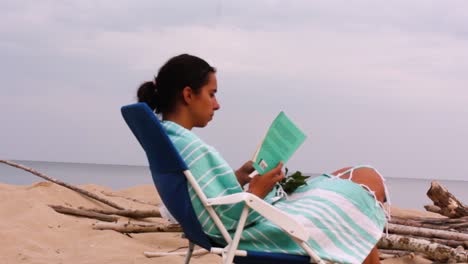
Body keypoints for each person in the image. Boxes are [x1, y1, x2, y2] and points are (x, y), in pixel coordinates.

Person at [137, 54, 389, 264]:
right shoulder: (190, 147)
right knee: (362, 187)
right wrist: (258, 190)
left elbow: (197, 198)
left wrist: (236, 177)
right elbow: (224, 219)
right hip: (248, 231)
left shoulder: (169, 141)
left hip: (230, 226)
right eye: (211, 94)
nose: (217, 105)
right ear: (188, 95)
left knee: (351, 176)